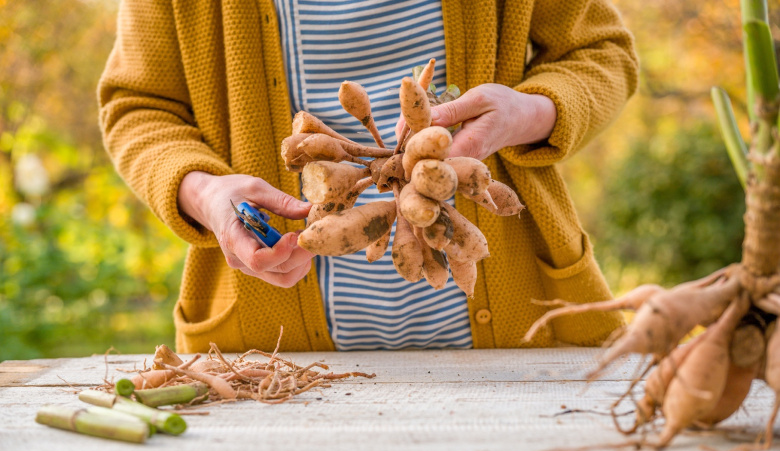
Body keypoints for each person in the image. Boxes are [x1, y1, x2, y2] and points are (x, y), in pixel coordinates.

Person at [98, 0, 638, 354]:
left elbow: (601, 52)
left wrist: (529, 113)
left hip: (522, 346)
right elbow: (138, 106)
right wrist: (206, 191)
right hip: (275, 357)